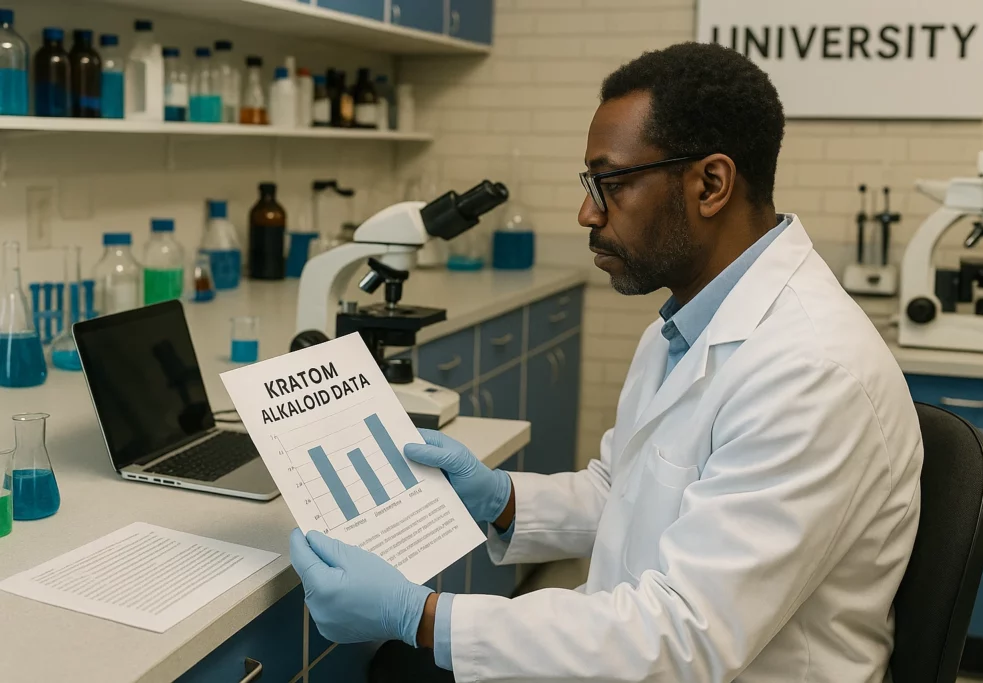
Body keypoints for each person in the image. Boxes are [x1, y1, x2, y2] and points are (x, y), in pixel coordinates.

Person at [287, 42, 923, 682]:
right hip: (639, 651)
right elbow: (625, 493)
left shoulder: (809, 371)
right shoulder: (686, 325)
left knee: (403, 664)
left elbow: (685, 640)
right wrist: (500, 499)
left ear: (711, 184)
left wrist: (422, 616)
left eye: (610, 183)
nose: (587, 212)